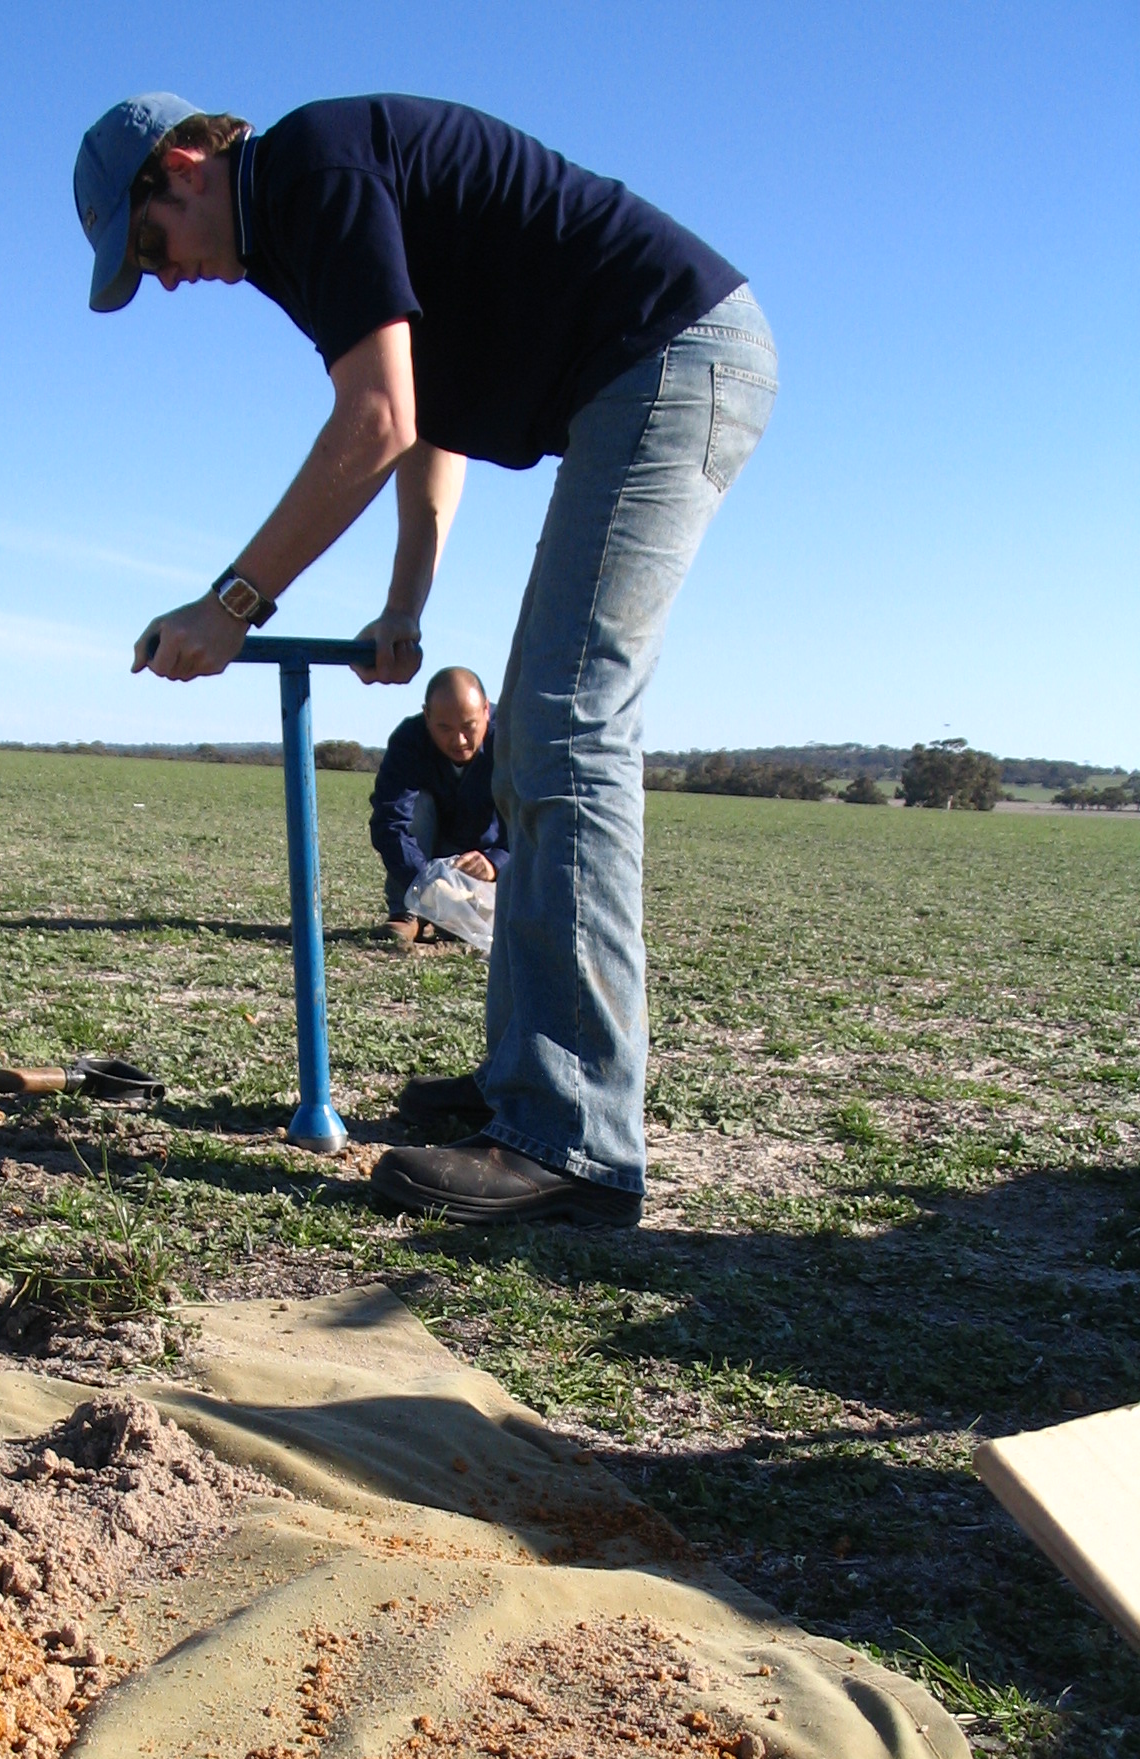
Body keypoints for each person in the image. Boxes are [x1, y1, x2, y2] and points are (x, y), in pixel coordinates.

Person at [76, 91, 776, 1226]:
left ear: (187, 161)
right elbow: (431, 417)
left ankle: (576, 1142)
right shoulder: (294, 241)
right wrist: (405, 603)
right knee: (538, 743)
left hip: (667, 355)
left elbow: (377, 418)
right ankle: (528, 1087)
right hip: (640, 369)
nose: (160, 275)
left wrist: (234, 602)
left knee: (564, 728)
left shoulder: (311, 168)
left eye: (147, 242)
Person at [370, 665, 507, 947]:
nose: (459, 740)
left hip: (486, 863)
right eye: (444, 728)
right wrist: (425, 884)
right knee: (416, 804)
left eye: (469, 727)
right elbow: (389, 821)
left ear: (486, 711)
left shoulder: (513, 739)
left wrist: (496, 861)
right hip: (425, 862)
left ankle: (462, 917)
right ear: (427, 715)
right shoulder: (408, 741)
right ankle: (408, 911)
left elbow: (532, 817)